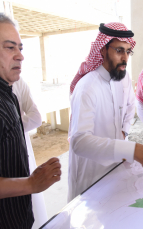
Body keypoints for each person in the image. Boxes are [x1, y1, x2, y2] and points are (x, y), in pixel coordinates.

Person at [68, 22, 143, 202]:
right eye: (119, 51)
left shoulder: (122, 77)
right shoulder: (87, 87)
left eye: (127, 51)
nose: (125, 57)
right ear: (102, 50)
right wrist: (129, 149)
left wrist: (123, 132)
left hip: (115, 166)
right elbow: (79, 142)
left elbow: (130, 104)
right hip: (91, 174)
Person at [0, 14, 61, 229]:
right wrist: (31, 183)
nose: (20, 56)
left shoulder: (9, 94)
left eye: (20, 47)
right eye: (10, 47)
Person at [13, 77, 48, 229]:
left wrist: (11, 127)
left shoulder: (18, 82)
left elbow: (36, 118)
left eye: (20, 50)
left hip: (20, 150)